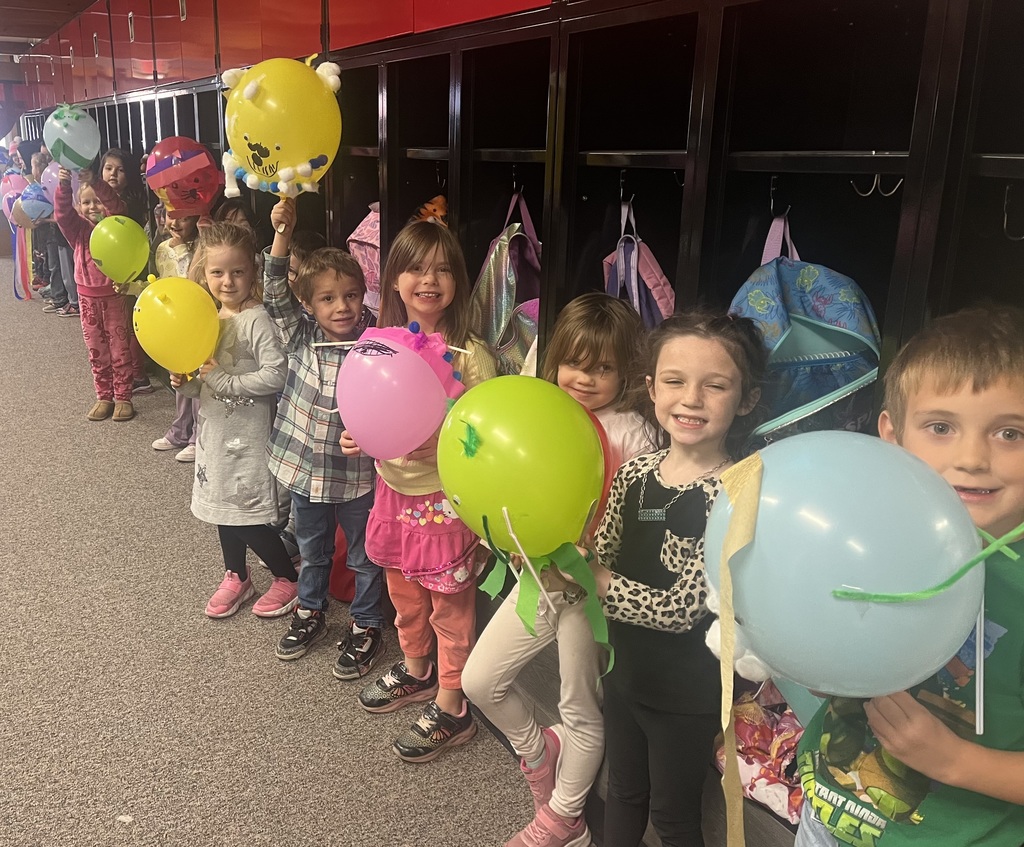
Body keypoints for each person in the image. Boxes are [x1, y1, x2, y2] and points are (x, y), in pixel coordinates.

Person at [794, 305, 1024, 847]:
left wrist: (957, 761)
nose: (971, 457)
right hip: (826, 815)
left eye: (1010, 433)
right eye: (940, 427)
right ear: (893, 437)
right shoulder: (867, 538)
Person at [463, 293, 659, 847]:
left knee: (579, 704)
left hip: (588, 591)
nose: (586, 378)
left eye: (603, 368)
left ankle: (564, 819)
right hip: (535, 577)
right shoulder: (539, 413)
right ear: (554, 362)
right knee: (480, 680)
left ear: (627, 373)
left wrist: (591, 566)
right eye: (575, 363)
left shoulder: (630, 432)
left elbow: (638, 525)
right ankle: (538, 752)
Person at [582, 309, 767, 847]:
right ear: (650, 388)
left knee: (673, 816)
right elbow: (608, 549)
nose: (691, 399)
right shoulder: (637, 472)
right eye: (675, 381)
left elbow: (680, 607)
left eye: (716, 386)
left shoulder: (736, 491)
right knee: (623, 792)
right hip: (623, 672)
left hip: (687, 691)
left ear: (746, 399)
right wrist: (570, 561)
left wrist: (597, 580)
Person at [341, 220, 497, 763]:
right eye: (415, 267)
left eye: (443, 269)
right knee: (404, 594)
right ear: (392, 279)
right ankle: (416, 669)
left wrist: (449, 442)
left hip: (444, 501)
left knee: (449, 606)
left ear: (459, 281)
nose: (429, 280)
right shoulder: (376, 343)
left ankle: (453, 704)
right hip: (391, 492)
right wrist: (358, 434)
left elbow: (488, 434)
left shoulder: (471, 354)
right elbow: (367, 405)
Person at [261, 197, 385, 674]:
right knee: (312, 549)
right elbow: (274, 292)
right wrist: (283, 234)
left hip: (356, 472)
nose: (342, 307)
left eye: (351, 295)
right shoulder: (300, 334)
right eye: (328, 299)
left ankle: (367, 623)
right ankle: (309, 610)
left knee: (362, 552)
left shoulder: (377, 342)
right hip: (306, 469)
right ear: (310, 304)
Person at [172, 222, 297, 619]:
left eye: (237, 271)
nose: (227, 281)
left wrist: (221, 378)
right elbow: (205, 383)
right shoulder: (208, 317)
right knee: (220, 508)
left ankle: (286, 576)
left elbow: (276, 375)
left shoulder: (257, 319)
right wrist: (187, 383)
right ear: (203, 273)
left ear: (253, 272)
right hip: (214, 433)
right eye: (217, 272)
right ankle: (237, 574)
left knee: (249, 514)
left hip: (248, 437)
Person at [53, 167, 137, 422]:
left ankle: (123, 396)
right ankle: (104, 395)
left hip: (114, 296)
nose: (93, 207)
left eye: (97, 201)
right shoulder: (78, 230)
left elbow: (117, 208)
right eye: (86, 202)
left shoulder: (116, 224)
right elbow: (62, 214)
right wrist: (64, 187)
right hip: (87, 297)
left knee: (119, 348)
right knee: (97, 350)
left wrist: (97, 184)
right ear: (79, 206)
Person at [89, 150, 154, 396]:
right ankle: (124, 368)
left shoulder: (129, 202)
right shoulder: (94, 199)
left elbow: (117, 215)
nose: (113, 174)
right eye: (108, 168)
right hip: (106, 274)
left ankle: (138, 375)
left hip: (128, 271)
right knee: (113, 328)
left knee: (127, 325)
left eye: (120, 169)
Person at [150, 214, 201, 462]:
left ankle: (197, 438)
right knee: (180, 378)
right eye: (171, 215)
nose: (176, 222)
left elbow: (196, 278)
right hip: (173, 320)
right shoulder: (161, 248)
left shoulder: (201, 246)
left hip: (197, 318)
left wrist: (188, 245)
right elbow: (161, 283)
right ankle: (180, 430)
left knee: (199, 379)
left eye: (184, 217)